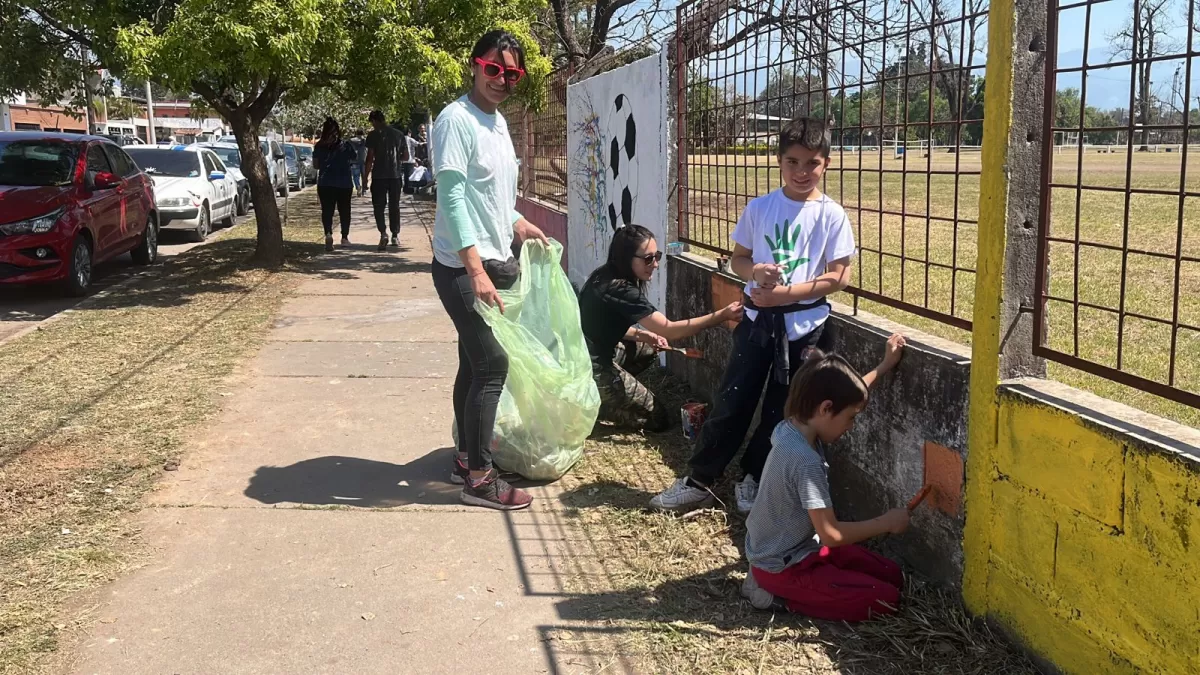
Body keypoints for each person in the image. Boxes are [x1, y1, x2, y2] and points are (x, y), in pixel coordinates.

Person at [650, 116, 856, 515]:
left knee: (784, 409)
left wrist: (787, 295)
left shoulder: (832, 215)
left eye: (812, 163)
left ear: (826, 164)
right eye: (793, 162)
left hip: (806, 327)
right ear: (779, 161)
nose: (802, 171)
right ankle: (699, 479)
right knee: (733, 397)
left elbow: (839, 275)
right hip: (757, 323)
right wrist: (756, 273)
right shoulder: (761, 208)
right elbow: (740, 259)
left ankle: (755, 477)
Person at [431, 29, 548, 510]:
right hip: (461, 266)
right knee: (492, 364)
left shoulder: (497, 122)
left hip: (494, 259)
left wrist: (519, 222)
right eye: (494, 69)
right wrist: (475, 269)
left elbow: (492, 195)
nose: (501, 80)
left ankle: (465, 455)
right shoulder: (455, 120)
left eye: (512, 74)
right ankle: (479, 479)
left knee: (472, 362)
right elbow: (454, 198)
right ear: (475, 65)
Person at [741, 338, 909, 621]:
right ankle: (773, 597)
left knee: (893, 576)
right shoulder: (805, 461)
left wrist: (883, 366)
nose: (851, 426)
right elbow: (831, 534)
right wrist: (887, 523)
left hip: (801, 550)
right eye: (851, 418)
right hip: (783, 568)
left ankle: (787, 584)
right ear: (825, 408)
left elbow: (849, 395)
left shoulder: (791, 424)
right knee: (886, 600)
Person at [579, 225, 743, 432]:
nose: (655, 264)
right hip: (587, 367)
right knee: (658, 419)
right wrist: (722, 315)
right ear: (626, 258)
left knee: (647, 351)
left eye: (657, 256)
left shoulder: (606, 275)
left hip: (590, 352)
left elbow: (600, 327)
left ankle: (608, 391)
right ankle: (598, 403)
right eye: (648, 259)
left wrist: (642, 335)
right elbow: (669, 329)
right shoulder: (619, 288)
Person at [365, 110, 408, 251]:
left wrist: (365, 178)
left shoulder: (373, 135)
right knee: (394, 206)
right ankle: (395, 234)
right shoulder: (399, 134)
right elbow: (406, 157)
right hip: (395, 175)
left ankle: (383, 233)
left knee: (379, 206)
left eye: (372, 122)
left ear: (375, 121)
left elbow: (370, 158)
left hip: (379, 176)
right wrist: (396, 160)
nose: (372, 125)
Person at [313, 117, 358, 251]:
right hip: (344, 183)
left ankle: (328, 233)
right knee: (345, 211)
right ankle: (344, 238)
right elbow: (354, 158)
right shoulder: (346, 145)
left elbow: (316, 165)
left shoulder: (319, 145)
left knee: (327, 210)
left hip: (325, 182)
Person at [349, 130, 367, 197]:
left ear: (356, 133)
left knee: (356, 176)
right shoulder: (365, 140)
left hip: (354, 161)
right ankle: (364, 189)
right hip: (363, 160)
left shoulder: (351, 141)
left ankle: (358, 186)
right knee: (364, 175)